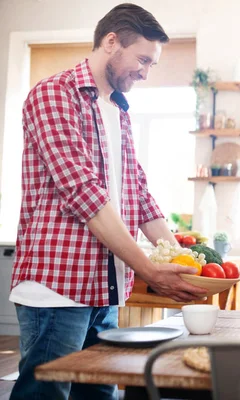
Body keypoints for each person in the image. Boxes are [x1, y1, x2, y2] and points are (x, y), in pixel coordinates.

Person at [9, 4, 206, 399]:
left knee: (102, 395)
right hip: (58, 288)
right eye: (143, 60)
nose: (145, 73)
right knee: (46, 395)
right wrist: (150, 268)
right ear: (111, 42)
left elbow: (139, 194)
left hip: (106, 290)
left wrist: (180, 261)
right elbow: (85, 195)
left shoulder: (117, 108)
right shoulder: (54, 94)